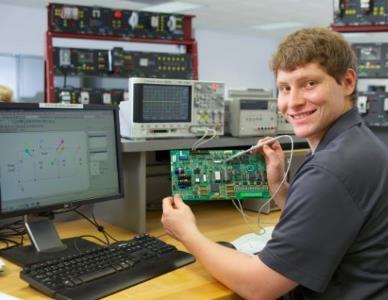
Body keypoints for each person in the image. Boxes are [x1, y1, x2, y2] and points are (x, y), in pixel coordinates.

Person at [161, 27, 388, 300]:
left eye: (309, 84)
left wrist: (189, 234)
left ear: (348, 82)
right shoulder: (358, 143)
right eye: (284, 88)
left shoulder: (331, 169)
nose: (293, 102)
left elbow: (259, 287)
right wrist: (279, 184)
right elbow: (325, 222)